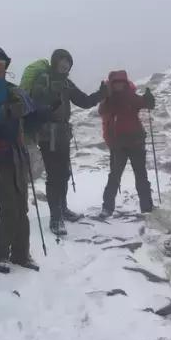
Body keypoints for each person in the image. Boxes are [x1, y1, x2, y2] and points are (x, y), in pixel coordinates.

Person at [0, 46, 55, 274]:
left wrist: (42, 113)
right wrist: (6, 111)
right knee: (9, 206)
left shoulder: (12, 89)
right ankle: (2, 255)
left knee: (22, 206)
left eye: (3, 63)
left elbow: (30, 111)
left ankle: (21, 253)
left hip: (17, 152)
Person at [30, 49, 107, 236]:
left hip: (63, 134)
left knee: (64, 173)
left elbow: (84, 101)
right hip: (48, 135)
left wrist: (101, 94)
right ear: (55, 62)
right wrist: (50, 106)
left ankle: (63, 209)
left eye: (68, 64)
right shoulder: (44, 80)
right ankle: (55, 218)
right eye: (62, 62)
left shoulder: (66, 83)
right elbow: (34, 104)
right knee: (54, 176)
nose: (65, 66)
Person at [99, 70, 156, 216]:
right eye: (116, 83)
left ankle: (147, 208)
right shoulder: (108, 99)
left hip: (135, 142)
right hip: (118, 145)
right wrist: (103, 95)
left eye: (121, 83)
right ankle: (107, 207)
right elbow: (102, 111)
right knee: (115, 176)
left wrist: (149, 100)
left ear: (125, 84)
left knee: (141, 176)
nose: (119, 86)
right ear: (112, 84)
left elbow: (146, 104)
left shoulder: (131, 97)